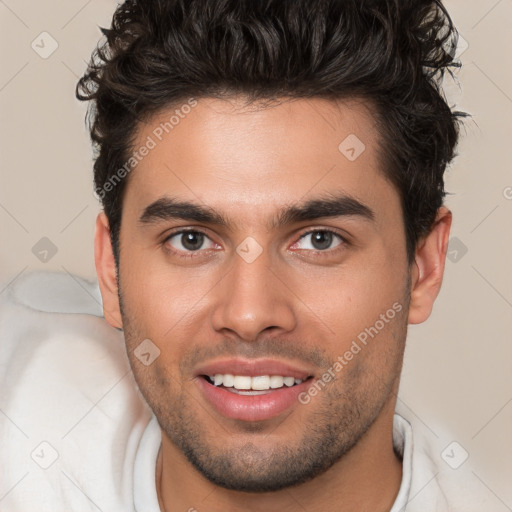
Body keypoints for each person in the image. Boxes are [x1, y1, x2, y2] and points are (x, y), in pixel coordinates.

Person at [0, 0, 495, 510]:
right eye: (190, 239)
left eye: (319, 240)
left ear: (424, 267)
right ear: (111, 270)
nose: (250, 314)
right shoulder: (17, 402)